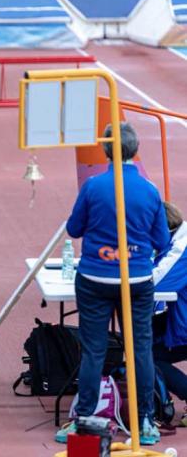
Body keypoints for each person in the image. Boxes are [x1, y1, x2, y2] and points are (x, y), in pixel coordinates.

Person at [55, 122, 171, 445]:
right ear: (136, 151)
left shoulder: (93, 187)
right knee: (140, 349)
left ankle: (85, 421)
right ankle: (145, 422)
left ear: (106, 150)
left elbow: (74, 229)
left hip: (95, 278)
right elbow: (162, 241)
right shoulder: (149, 191)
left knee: (93, 351)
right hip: (136, 281)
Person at [153, 201, 187, 427]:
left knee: (143, 355)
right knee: (141, 344)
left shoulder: (181, 248)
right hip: (181, 318)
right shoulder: (177, 241)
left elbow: (157, 284)